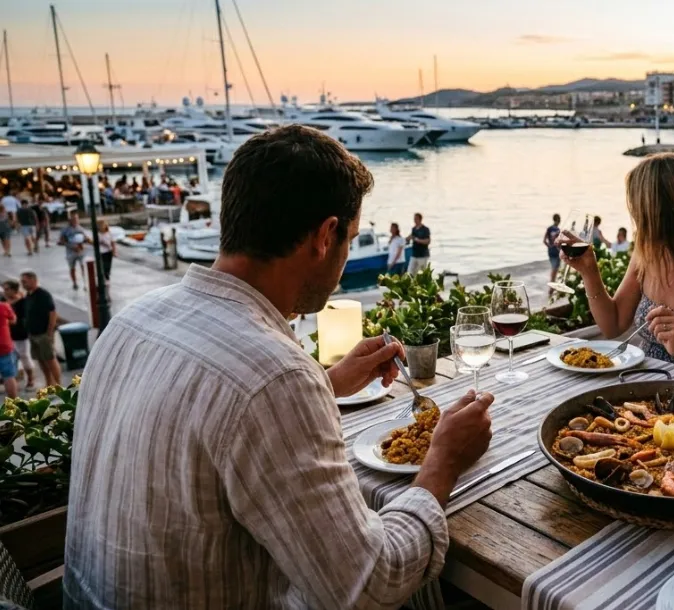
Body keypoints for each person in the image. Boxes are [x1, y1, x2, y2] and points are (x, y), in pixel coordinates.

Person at [64, 125, 494, 608]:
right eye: (349, 239)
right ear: (324, 236)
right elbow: (368, 585)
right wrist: (443, 461)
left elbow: (218, 420)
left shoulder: (131, 323)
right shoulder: (274, 378)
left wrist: (325, 383)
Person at [558, 152, 674, 373]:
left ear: (656, 213)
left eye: (638, 210)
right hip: (639, 382)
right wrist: (589, 270)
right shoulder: (648, 254)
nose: (636, 219)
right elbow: (613, 325)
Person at [19, 272, 60, 388]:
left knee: (50, 359)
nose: (23, 284)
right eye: (22, 282)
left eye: (24, 281)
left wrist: (50, 332)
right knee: (41, 360)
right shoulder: (28, 296)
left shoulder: (43, 294)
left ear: (33, 280)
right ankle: (49, 383)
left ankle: (58, 384)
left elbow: (52, 313)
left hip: (43, 333)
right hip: (33, 334)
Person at [3, 280, 34, 390]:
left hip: (20, 333)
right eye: (4, 289)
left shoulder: (22, 301)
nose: (5, 292)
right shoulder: (4, 301)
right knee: (12, 359)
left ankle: (31, 379)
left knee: (25, 356)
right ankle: (15, 380)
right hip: (8, 335)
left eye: (7, 289)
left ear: (14, 290)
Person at [58, 211, 89, 290]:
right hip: (70, 252)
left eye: (77, 218)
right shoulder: (65, 229)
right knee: (72, 268)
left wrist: (85, 242)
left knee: (83, 267)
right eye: (74, 218)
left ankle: (85, 283)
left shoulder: (81, 228)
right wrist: (71, 246)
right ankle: (75, 283)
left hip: (81, 251)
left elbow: (85, 239)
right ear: (70, 220)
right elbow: (61, 241)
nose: (75, 220)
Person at [544, 213, 562, 282]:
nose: (559, 221)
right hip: (555, 251)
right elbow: (560, 242)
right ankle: (552, 285)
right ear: (557, 220)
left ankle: (552, 283)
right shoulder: (557, 230)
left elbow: (544, 241)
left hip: (552, 251)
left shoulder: (549, 228)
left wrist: (549, 246)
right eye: (559, 220)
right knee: (555, 268)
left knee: (554, 268)